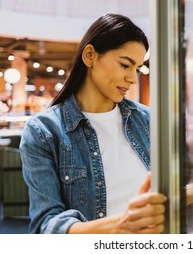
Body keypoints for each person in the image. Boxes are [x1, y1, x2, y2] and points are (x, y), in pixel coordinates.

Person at [19, 14, 167, 234]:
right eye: (125, 65)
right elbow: (45, 228)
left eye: (136, 68)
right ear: (90, 56)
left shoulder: (148, 120)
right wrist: (120, 226)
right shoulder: (43, 132)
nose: (133, 78)